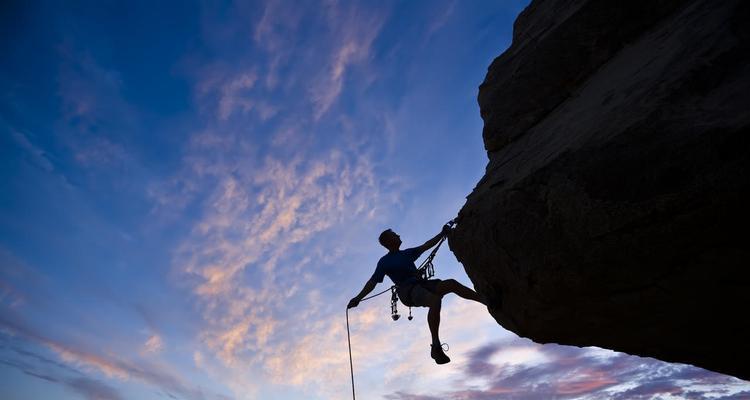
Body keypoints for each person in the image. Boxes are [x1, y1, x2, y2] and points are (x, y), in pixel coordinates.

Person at [347, 224, 486, 364]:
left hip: (420, 284)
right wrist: (358, 298)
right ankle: (436, 346)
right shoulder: (384, 262)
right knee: (435, 300)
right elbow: (373, 282)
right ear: (389, 241)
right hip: (407, 291)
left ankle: (485, 300)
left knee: (451, 284)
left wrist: (442, 233)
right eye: (395, 235)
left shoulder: (407, 253)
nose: (399, 236)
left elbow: (426, 246)